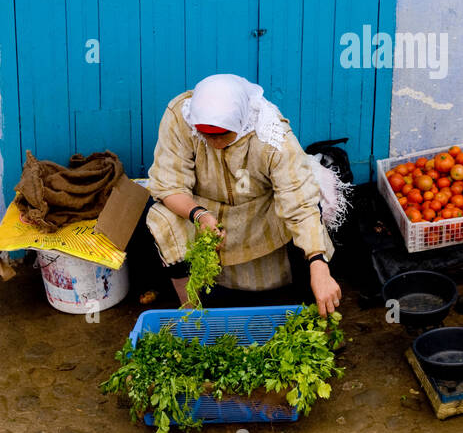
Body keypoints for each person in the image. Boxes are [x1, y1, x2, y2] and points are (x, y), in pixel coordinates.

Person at [144, 74, 342, 315]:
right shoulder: (180, 118)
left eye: (221, 135)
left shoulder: (271, 135)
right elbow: (168, 184)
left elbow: (299, 202)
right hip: (203, 208)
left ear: (240, 123)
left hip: (262, 214)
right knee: (161, 217)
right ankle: (195, 313)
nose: (214, 143)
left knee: (307, 213)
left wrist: (318, 264)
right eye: (206, 135)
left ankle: (309, 303)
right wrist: (200, 215)